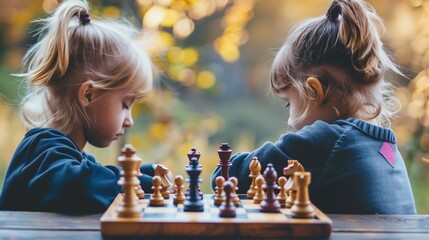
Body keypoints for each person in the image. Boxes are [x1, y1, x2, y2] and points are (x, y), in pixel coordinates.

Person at [211, 0, 416, 214]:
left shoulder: (327, 141)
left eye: (289, 103)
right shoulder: (386, 148)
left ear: (314, 91)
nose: (290, 121)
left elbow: (226, 177)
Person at [0, 0, 155, 213]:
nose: (129, 120)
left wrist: (146, 174)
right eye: (125, 105)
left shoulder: (70, 157)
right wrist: (137, 182)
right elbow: (79, 185)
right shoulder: (41, 150)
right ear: (88, 94)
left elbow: (95, 177)